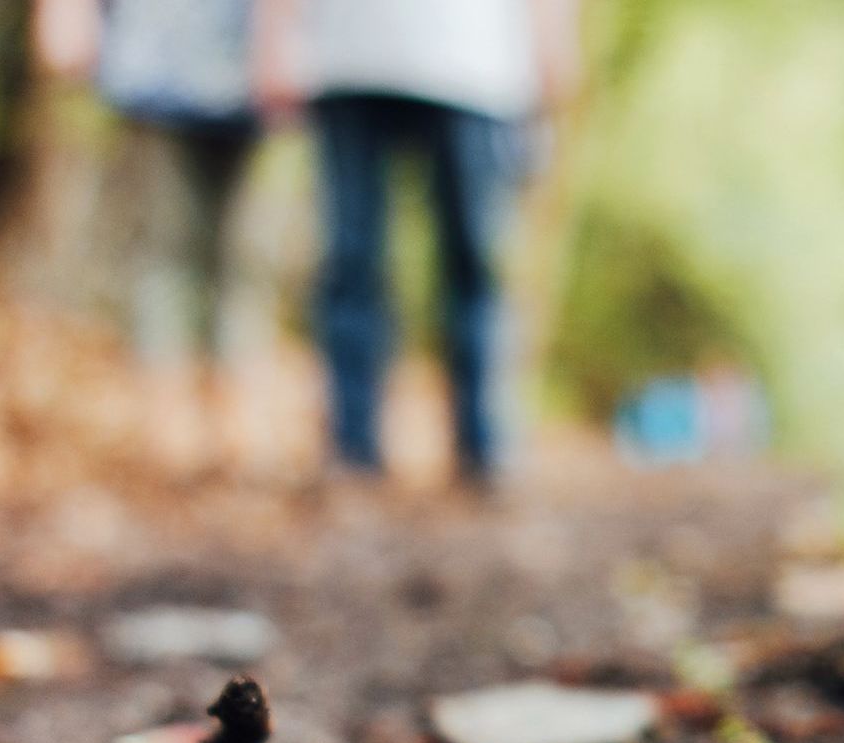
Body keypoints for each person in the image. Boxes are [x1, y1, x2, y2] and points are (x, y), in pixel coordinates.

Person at [255, 0, 579, 489]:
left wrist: (552, 40)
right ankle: (352, 446)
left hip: (475, 64)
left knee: (475, 259)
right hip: (351, 58)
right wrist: (275, 38)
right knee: (351, 259)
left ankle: (484, 445)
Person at [34, 0, 272, 470]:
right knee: (168, 245)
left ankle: (237, 417)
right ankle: (168, 418)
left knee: (243, 254)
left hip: (250, 61)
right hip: (160, 59)